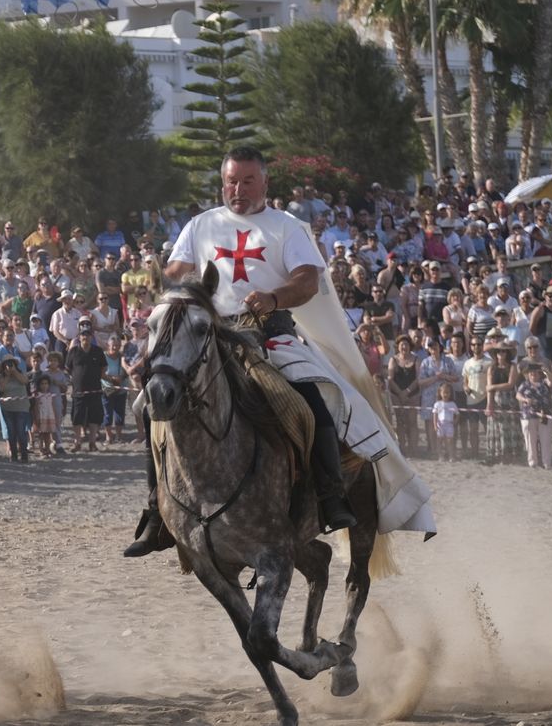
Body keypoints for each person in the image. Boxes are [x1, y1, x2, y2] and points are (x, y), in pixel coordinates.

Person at [129, 147, 390, 558]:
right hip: (209, 338)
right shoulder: (201, 225)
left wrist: (272, 296)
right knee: (148, 405)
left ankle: (330, 495)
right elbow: (175, 272)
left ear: (265, 183)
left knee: (311, 401)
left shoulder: (286, 227)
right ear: (222, 183)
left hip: (268, 336)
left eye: (248, 181)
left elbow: (307, 281)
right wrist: (189, 279)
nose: (239, 189)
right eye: (232, 181)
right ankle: (156, 512)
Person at [430, 383, 458, 462]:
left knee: (449, 441)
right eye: (444, 392)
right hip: (440, 424)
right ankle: (440, 456)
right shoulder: (437, 404)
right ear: (440, 393)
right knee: (439, 440)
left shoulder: (452, 404)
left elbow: (457, 414)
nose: (445, 394)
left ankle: (451, 456)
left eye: (447, 392)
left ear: (450, 393)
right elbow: (435, 414)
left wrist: (455, 421)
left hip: (449, 424)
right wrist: (435, 425)